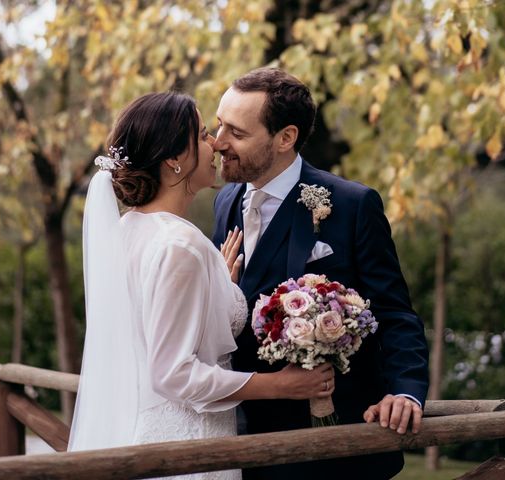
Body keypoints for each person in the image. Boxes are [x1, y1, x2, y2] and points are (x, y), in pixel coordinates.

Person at [68, 92, 335, 480]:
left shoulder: (128, 230)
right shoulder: (181, 245)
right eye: (204, 134)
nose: (216, 145)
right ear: (174, 160)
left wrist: (217, 289)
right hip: (189, 446)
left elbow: (151, 330)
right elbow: (174, 373)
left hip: (146, 434)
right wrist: (281, 385)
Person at [211, 68, 429, 479]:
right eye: (219, 123)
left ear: (285, 138)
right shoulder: (225, 202)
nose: (218, 141)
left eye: (236, 132)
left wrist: (404, 392)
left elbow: (395, 314)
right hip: (244, 444)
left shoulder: (352, 205)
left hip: (338, 446)